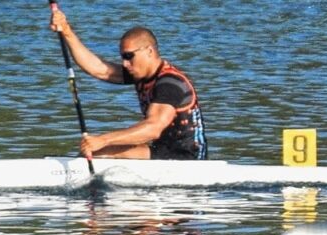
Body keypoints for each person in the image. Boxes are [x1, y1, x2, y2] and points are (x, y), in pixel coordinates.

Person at [48, 7, 207, 160]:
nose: (125, 63)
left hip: (186, 158)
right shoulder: (140, 73)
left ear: (149, 52)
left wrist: (103, 140)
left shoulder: (170, 83)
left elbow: (153, 128)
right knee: (100, 151)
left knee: (102, 151)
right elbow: (98, 69)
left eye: (129, 56)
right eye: (123, 57)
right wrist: (67, 32)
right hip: (161, 151)